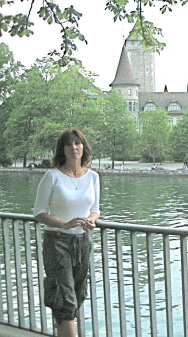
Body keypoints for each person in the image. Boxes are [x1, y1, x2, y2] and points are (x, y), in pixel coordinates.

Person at [33, 128, 100, 337]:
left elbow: (95, 209)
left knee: (77, 297)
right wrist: (63, 224)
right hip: (57, 242)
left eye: (77, 143)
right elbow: (39, 213)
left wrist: (91, 220)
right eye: (68, 144)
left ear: (84, 147)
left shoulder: (93, 177)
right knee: (65, 299)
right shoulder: (52, 176)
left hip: (83, 242)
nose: (73, 147)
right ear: (62, 149)